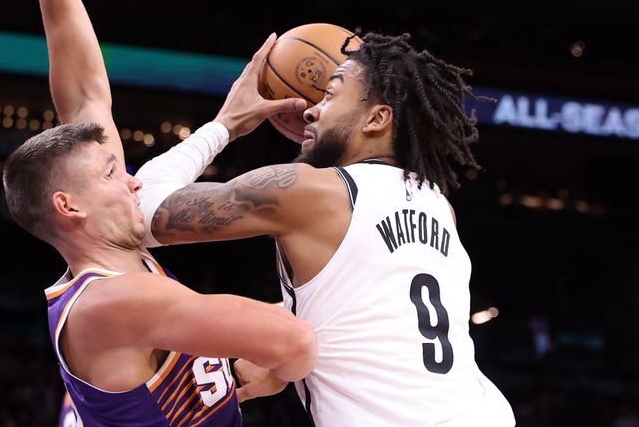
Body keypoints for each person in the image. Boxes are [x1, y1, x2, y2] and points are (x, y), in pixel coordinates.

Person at [0, 0, 317, 427]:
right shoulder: (112, 301)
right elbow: (294, 340)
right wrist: (272, 366)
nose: (133, 179)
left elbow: (87, 96)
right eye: (111, 175)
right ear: (69, 206)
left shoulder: (119, 266)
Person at [136, 33, 517, 425]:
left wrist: (225, 124)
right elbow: (368, 312)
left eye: (331, 96)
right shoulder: (439, 206)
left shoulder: (311, 191)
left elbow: (140, 211)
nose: (311, 112)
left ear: (377, 118)